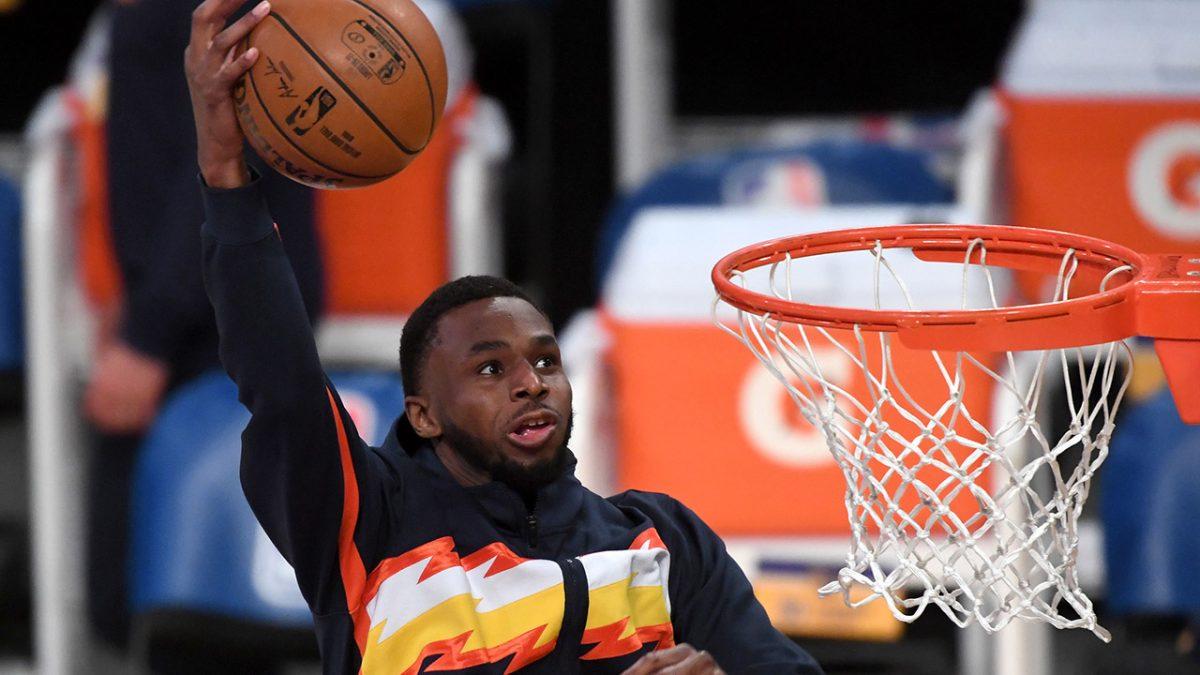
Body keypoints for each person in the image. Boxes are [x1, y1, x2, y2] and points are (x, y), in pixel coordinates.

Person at [187, 0, 823, 672]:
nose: (531, 381)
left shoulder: (665, 541)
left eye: (546, 359)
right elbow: (281, 382)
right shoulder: (369, 528)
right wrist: (225, 174)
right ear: (422, 413)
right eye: (490, 369)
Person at [83, 0, 323, 652]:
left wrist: (148, 332)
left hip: (216, 319)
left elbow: (229, 144)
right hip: (190, 304)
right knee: (129, 605)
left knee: (194, 616)